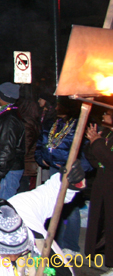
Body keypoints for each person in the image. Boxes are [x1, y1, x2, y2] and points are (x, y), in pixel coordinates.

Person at [0, 160, 85, 276]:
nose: (13, 257)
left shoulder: (20, 209)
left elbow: (48, 195)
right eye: (6, 253)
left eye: (20, 249)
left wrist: (66, 182)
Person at [34, 98, 92, 258]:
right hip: (54, 169)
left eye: (60, 105)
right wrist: (42, 158)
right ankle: (56, 242)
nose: (57, 107)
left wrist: (76, 169)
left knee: (70, 209)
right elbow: (42, 141)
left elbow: (86, 152)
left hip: (69, 172)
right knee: (54, 205)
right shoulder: (53, 123)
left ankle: (71, 246)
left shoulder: (79, 126)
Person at [84, 109, 113, 275]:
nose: (103, 115)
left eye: (107, 113)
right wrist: (93, 142)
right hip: (102, 184)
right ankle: (100, 256)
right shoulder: (107, 134)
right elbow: (97, 161)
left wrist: (97, 143)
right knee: (100, 221)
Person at [16, 95, 42, 193]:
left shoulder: (27, 124)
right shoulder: (34, 122)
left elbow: (25, 146)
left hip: (25, 163)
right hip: (29, 162)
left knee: (21, 190)